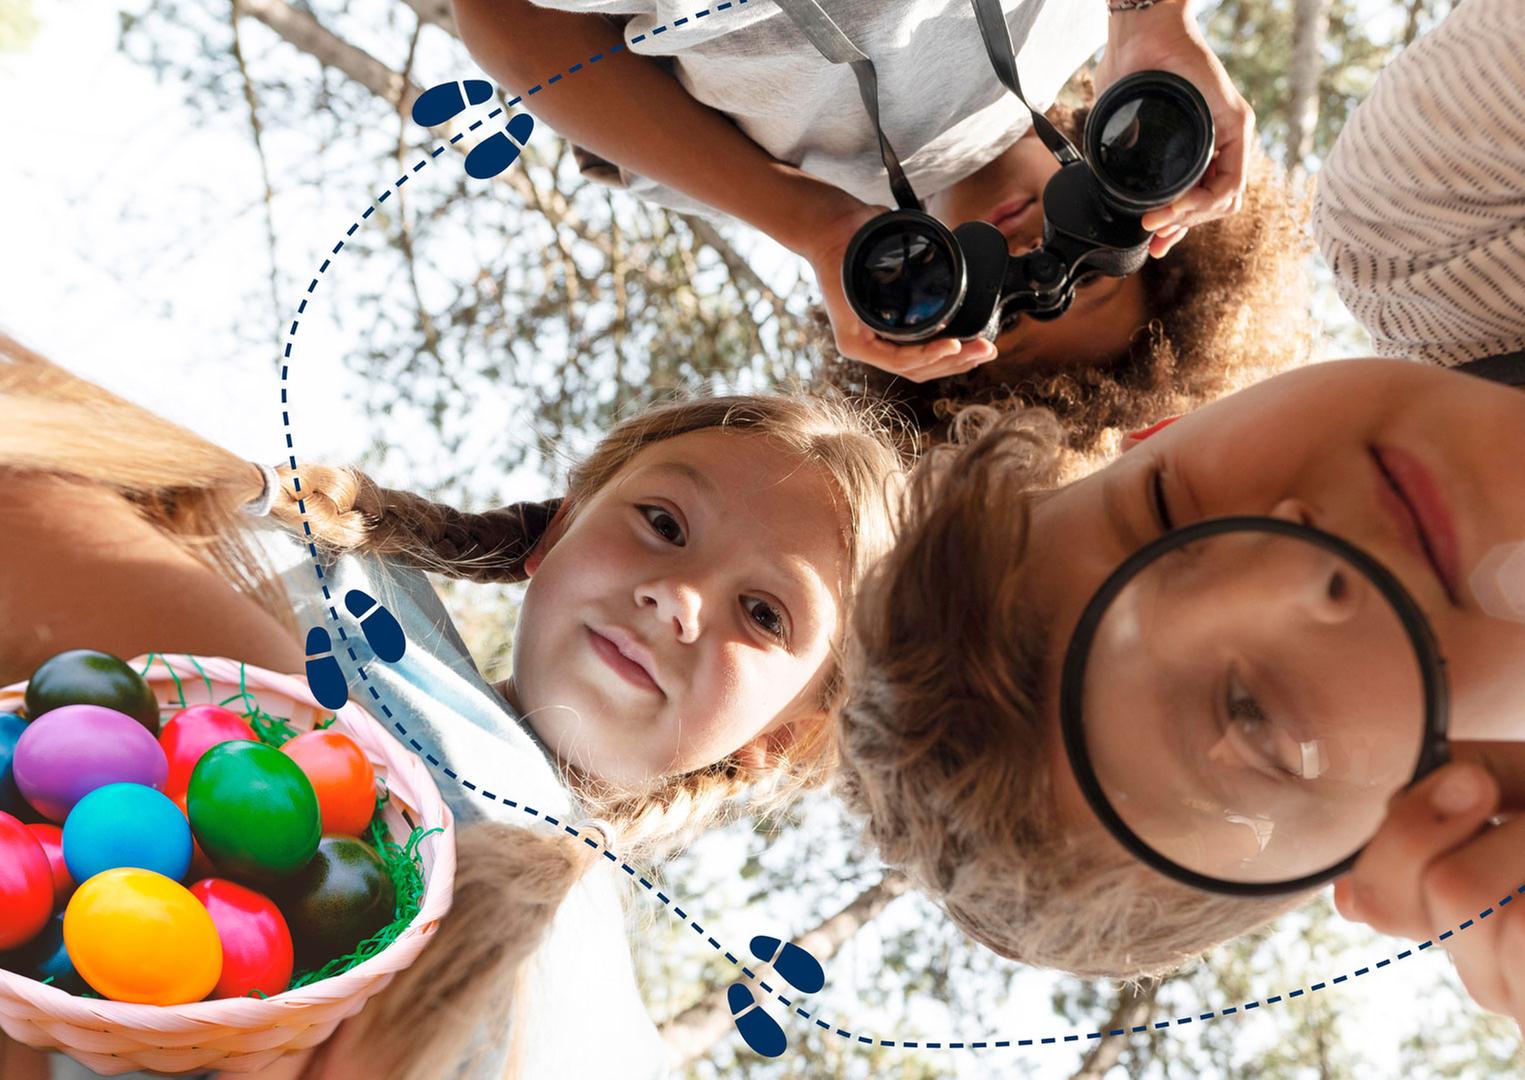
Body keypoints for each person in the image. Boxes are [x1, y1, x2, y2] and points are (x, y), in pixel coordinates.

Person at [834, 0, 1525, 1075]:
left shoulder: (1436, 216)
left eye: (1166, 509)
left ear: (1160, 429)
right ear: (1408, 824)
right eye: (1254, 715)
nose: (1297, 571)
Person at [0, 334, 900, 1079]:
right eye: (662, 523)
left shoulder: (590, 996)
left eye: (763, 613)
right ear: (558, 531)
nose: (680, 598)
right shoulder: (348, 587)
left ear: (779, 741)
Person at [449, 0, 1310, 448]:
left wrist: (816, 225)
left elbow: (504, 21)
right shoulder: (1090, 20)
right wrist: (1154, 17)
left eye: (1005, 311)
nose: (1024, 254)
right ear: (1142, 219)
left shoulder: (757, 182)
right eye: (1086, 278)